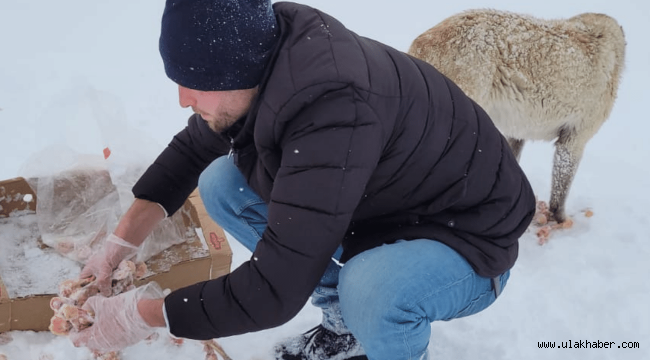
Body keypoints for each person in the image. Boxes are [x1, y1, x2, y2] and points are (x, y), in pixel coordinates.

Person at [70, 0, 536, 359]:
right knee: (220, 182)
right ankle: (345, 324)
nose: (181, 97)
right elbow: (194, 147)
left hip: (469, 239)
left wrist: (146, 315)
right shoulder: (265, 58)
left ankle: (372, 322)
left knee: (371, 291)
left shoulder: (333, 110)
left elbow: (273, 290)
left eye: (194, 82)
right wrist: (119, 245)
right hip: (388, 206)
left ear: (235, 72)